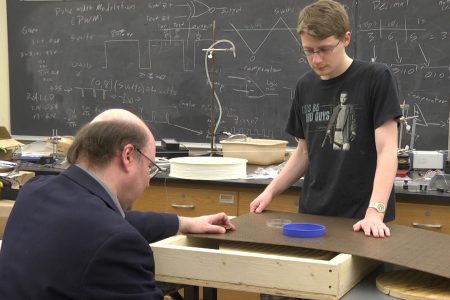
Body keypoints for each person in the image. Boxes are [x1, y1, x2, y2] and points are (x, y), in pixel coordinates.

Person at [0, 108, 235, 300]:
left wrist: (183, 223)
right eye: (149, 168)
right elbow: (110, 231)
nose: (147, 183)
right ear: (128, 156)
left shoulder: (35, 192)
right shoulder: (117, 244)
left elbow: (106, 222)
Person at [251, 0, 401, 238]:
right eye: (309, 51)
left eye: (324, 49)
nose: (316, 60)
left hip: (363, 218)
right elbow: (304, 152)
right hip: (313, 214)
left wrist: (375, 212)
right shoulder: (305, 86)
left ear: (346, 39)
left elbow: (387, 150)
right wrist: (270, 192)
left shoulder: (375, 78)